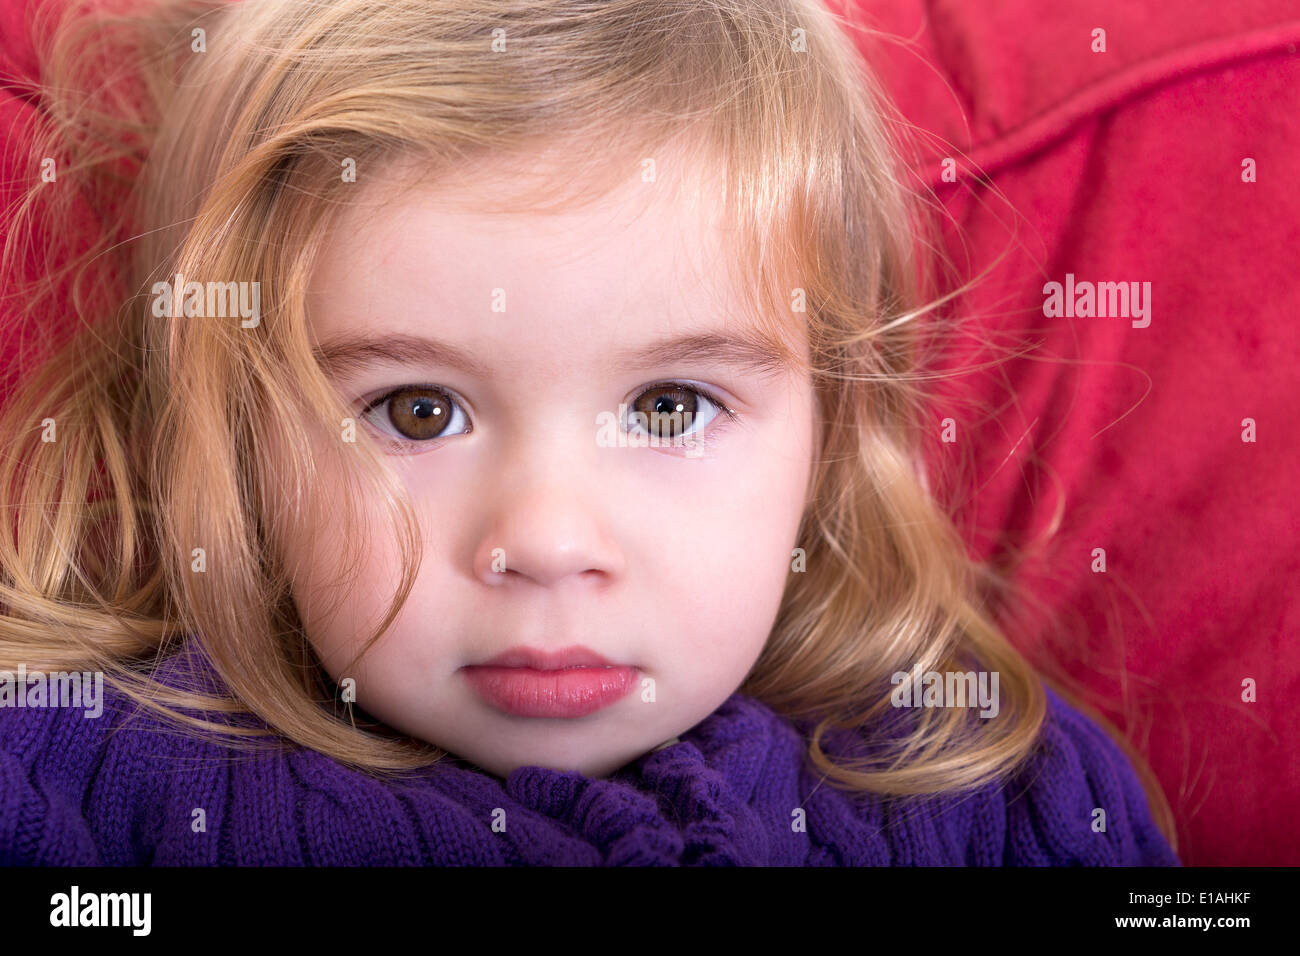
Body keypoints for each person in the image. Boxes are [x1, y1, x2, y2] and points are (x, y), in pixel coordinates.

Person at [0, 0, 1179, 865]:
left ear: (831, 426)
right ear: (241, 438)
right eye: (419, 411)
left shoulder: (985, 793)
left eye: (669, 406)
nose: (550, 541)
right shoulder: (84, 795)